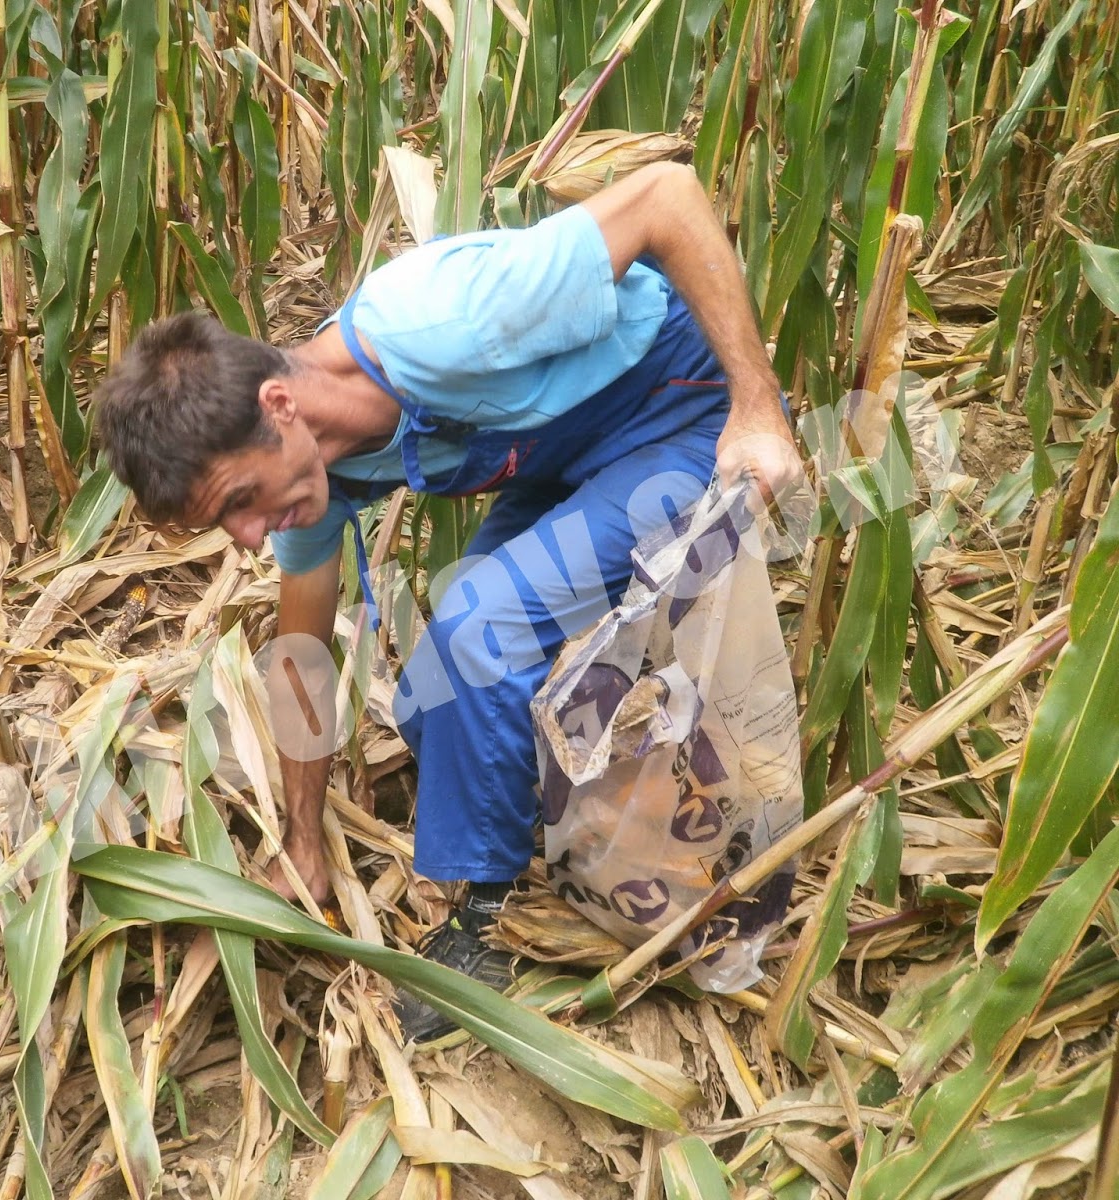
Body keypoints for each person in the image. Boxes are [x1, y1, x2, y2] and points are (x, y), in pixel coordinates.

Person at [96, 162, 804, 1041]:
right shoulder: (318, 461)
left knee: (481, 625)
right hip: (571, 463)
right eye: (225, 524)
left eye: (240, 501)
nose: (247, 537)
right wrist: (305, 841)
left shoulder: (447, 317)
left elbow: (668, 197)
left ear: (278, 405)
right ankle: (576, 819)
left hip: (685, 416)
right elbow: (303, 655)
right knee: (434, 688)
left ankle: (488, 922)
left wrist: (758, 408)